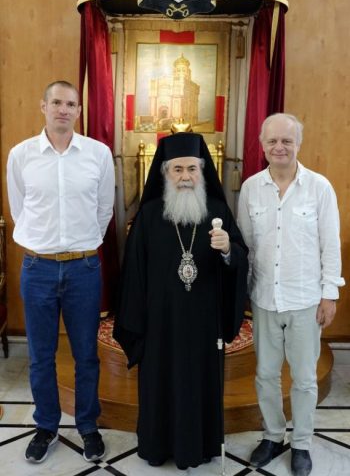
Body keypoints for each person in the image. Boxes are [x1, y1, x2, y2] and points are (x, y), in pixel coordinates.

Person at [113, 132, 248, 470]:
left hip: (204, 321)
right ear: (164, 173)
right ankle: (157, 447)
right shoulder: (147, 217)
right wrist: (137, 320)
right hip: (161, 322)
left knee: (200, 384)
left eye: (192, 169)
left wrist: (228, 249)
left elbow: (240, 258)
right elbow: (133, 275)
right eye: (177, 170)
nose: (186, 176)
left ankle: (199, 447)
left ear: (203, 171)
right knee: (160, 383)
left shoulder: (217, 211)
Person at [6, 81, 115, 464]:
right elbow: (20, 209)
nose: (64, 110)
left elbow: (105, 209)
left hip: (84, 268)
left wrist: (81, 244)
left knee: (86, 353)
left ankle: (88, 426)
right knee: (40, 355)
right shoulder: (21, 155)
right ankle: (46, 425)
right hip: (37, 268)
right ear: (43, 106)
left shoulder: (98, 154)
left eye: (71, 104)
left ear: (79, 111)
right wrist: (47, 243)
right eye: (57, 102)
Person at [237, 113, 344, 476]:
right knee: (265, 374)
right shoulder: (251, 187)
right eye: (272, 141)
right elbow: (245, 246)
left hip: (305, 300)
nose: (279, 147)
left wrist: (330, 294)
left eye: (287, 141)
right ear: (262, 144)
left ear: (298, 143)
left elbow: (330, 245)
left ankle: (301, 442)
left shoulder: (319, 188)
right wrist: (242, 295)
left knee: (304, 377)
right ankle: (272, 435)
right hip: (264, 298)